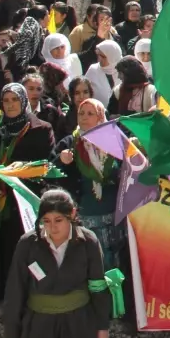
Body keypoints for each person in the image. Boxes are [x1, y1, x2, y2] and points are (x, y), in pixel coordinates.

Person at [2, 189, 115, 338]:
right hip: (38, 324)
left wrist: (102, 326)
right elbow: (15, 289)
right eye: (46, 221)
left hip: (78, 322)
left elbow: (98, 287)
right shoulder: (28, 244)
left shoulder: (88, 242)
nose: (52, 227)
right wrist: (12, 333)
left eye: (58, 220)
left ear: (72, 214)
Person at [0, 82, 55, 300]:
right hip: (0, 200)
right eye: (6, 100)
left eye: (15, 99)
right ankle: (5, 295)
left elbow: (43, 165)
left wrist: (4, 172)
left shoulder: (41, 129)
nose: (11, 105)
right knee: (1, 247)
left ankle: (32, 295)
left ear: (23, 101)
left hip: (26, 198)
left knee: (27, 247)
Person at [52, 97, 124, 271]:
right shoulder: (71, 143)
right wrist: (61, 160)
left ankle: (119, 297)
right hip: (86, 215)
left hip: (116, 214)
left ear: (100, 117)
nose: (84, 117)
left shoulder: (114, 140)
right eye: (81, 113)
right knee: (95, 262)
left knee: (119, 261)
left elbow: (128, 168)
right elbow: (50, 171)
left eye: (90, 113)